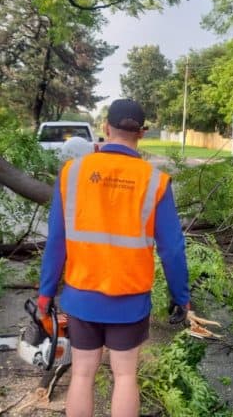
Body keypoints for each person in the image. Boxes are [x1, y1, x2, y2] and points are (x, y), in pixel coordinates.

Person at [38, 99, 190, 417]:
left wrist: (45, 293)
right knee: (124, 376)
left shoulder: (72, 172)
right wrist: (182, 298)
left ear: (106, 128)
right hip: (130, 300)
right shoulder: (155, 182)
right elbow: (172, 249)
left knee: (82, 373)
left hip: (82, 297)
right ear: (142, 133)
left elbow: (55, 240)